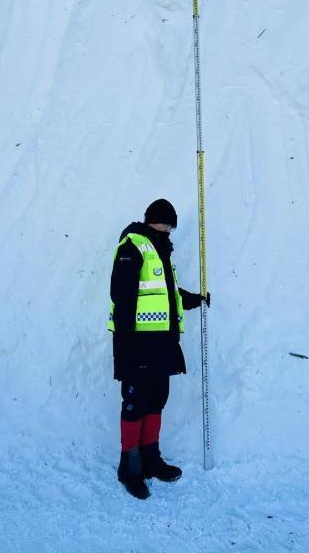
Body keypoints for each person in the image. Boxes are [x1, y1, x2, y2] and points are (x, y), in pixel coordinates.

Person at [107, 198, 211, 500]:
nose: (170, 229)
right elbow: (122, 297)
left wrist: (195, 299)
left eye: (172, 225)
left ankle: (151, 459)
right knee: (136, 402)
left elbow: (166, 294)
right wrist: (125, 347)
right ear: (155, 221)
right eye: (167, 223)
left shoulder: (160, 249)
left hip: (162, 344)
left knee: (156, 400)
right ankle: (130, 467)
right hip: (138, 344)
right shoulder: (133, 246)